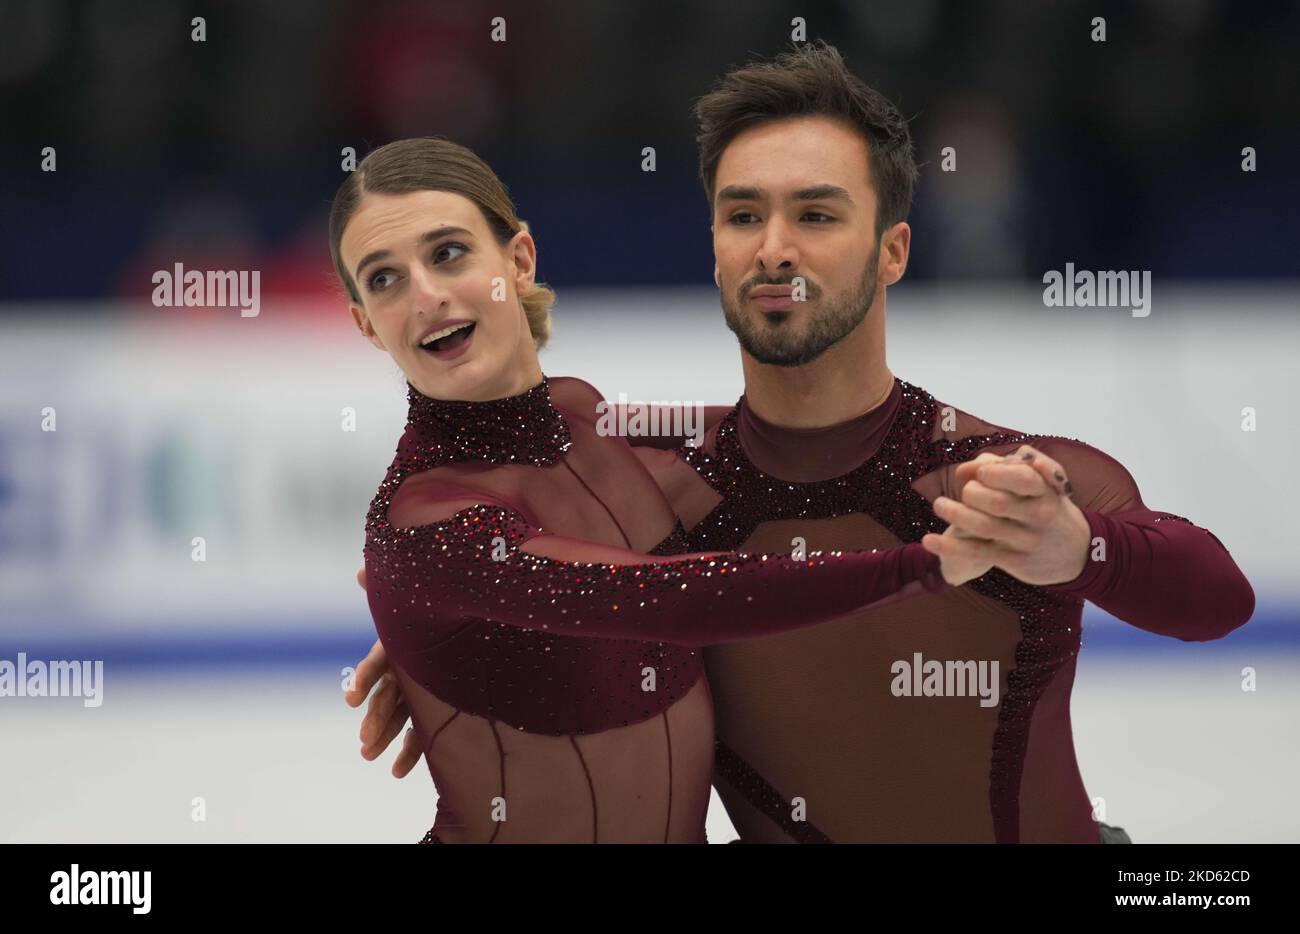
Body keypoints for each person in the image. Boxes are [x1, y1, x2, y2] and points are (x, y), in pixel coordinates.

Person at [351, 43, 1254, 843]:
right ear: (714, 248)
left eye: (816, 216)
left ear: (892, 250)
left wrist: (1079, 550)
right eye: (744, 217)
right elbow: (525, 526)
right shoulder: (654, 477)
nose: (775, 248)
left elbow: (1217, 599)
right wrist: (454, 650)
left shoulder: (1007, 480)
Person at [332, 136, 994, 843]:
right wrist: (926, 565)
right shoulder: (425, 523)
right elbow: (675, 597)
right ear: (367, 324)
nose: (425, 295)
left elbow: (781, 448)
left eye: (448, 254)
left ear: (519, 261)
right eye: (384, 279)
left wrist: (982, 470)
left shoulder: (587, 415)